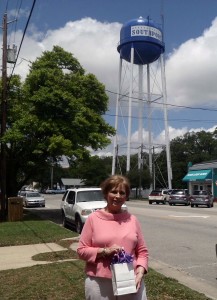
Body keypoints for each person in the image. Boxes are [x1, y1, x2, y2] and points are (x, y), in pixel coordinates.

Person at [77, 175, 149, 300]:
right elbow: (81, 251)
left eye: (122, 193)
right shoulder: (93, 219)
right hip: (100, 282)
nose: (118, 196)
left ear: (126, 196)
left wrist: (140, 272)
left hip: (130, 279)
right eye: (114, 191)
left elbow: (142, 252)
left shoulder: (132, 220)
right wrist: (104, 251)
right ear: (106, 193)